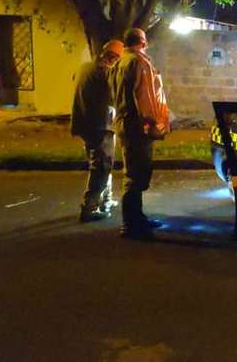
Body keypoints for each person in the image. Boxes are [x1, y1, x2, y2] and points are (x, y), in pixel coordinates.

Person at [112, 28, 166, 239]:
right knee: (135, 174)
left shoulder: (119, 62)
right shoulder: (136, 63)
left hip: (127, 123)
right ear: (142, 42)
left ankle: (137, 218)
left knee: (136, 171)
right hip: (137, 126)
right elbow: (139, 96)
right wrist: (149, 122)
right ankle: (131, 224)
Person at [70, 40, 124, 222]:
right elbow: (116, 94)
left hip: (86, 122)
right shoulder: (104, 71)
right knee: (101, 166)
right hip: (99, 125)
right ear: (114, 57)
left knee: (101, 162)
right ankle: (90, 207)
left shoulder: (86, 67)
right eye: (118, 58)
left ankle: (105, 200)